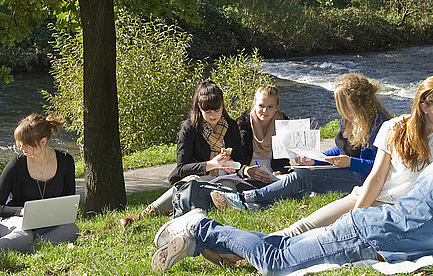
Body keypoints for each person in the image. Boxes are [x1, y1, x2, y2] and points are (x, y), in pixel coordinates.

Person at [150, 108, 433, 275]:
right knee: (275, 263)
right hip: (362, 235)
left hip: (369, 234)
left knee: (275, 248)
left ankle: (194, 242)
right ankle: (201, 226)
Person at [273, 75, 433, 237]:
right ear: (424, 107)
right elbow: (377, 176)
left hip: (405, 211)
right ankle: (247, 249)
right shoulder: (394, 128)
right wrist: (356, 215)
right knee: (304, 227)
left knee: (328, 236)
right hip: (371, 195)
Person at [210, 73, 391, 211]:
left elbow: (377, 169)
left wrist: (350, 162)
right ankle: (255, 200)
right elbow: (341, 148)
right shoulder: (350, 118)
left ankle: (246, 200)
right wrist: (316, 159)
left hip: (364, 178)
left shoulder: (378, 124)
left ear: (355, 103)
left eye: (342, 104)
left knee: (305, 177)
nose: (340, 109)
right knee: (301, 171)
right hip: (349, 169)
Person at [121, 81, 274, 226]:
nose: (213, 115)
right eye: (207, 111)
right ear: (199, 108)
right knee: (193, 182)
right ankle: (146, 214)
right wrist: (210, 165)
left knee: (227, 186)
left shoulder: (231, 126)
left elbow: (239, 160)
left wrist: (239, 168)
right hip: (195, 179)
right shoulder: (189, 129)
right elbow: (181, 168)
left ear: (223, 107)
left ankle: (180, 208)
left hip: (223, 179)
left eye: (217, 110)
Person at [0, 114, 78, 269]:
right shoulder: (17, 164)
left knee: (71, 229)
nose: (21, 148)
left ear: (42, 141)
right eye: (19, 143)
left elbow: (68, 203)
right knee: (25, 234)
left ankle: (24, 249)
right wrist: (21, 211)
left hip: (48, 224)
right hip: (17, 222)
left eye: (26, 144)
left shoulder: (66, 161)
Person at [236, 85, 292, 175]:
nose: (265, 111)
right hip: (247, 178)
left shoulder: (284, 125)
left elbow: (284, 161)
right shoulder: (240, 125)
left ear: (277, 106)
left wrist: (280, 172)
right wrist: (245, 171)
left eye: (270, 107)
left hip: (275, 178)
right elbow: (235, 161)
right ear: (254, 104)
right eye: (261, 106)